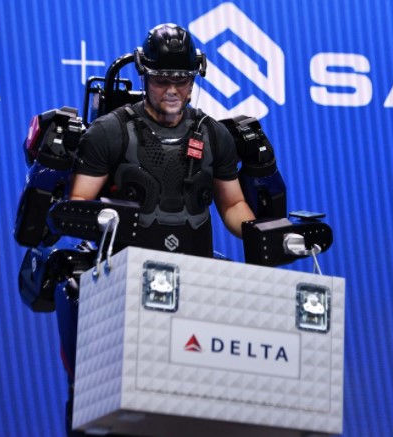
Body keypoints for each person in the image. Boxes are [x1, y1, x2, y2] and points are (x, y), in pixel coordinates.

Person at [58, 22, 255, 436]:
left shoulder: (214, 135)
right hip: (121, 286)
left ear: (194, 78)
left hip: (196, 284)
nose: (172, 89)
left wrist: (261, 232)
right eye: (162, 78)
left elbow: (233, 205)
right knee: (105, 402)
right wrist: (102, 217)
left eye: (181, 79)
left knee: (194, 404)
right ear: (144, 74)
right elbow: (79, 203)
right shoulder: (109, 131)